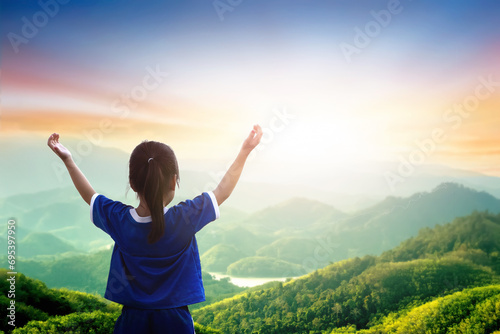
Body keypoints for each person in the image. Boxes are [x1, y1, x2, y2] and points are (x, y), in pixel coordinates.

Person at [47, 125, 263, 333]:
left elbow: (90, 196)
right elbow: (222, 191)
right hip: (175, 321)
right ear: (173, 181)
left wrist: (69, 161)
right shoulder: (184, 219)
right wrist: (245, 151)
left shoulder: (120, 221)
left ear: (132, 183)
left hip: (132, 321)